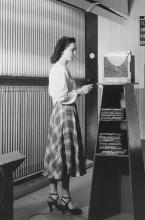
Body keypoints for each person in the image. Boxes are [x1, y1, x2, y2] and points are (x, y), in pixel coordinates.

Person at [43, 36, 93, 215]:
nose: (75, 53)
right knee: (63, 155)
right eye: (72, 49)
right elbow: (61, 96)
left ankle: (53, 195)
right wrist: (81, 91)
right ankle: (64, 198)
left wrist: (77, 91)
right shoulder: (58, 69)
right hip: (64, 113)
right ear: (63, 49)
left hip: (63, 113)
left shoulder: (62, 68)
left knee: (58, 153)